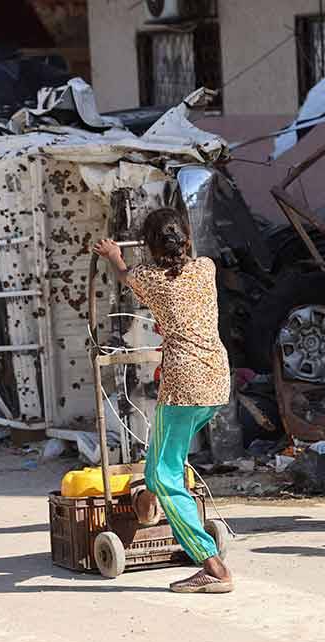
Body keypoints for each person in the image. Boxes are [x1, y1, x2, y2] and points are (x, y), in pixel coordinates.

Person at [93, 207, 233, 593]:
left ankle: (212, 566)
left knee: (163, 474)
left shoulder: (149, 278)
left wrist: (114, 254)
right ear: (186, 240)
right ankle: (148, 505)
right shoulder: (206, 268)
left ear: (152, 247)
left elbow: (123, 275)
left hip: (185, 384)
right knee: (167, 452)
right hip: (216, 380)